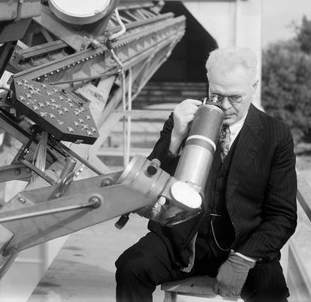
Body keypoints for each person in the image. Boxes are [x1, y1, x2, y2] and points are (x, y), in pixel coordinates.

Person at [115, 46, 297, 302]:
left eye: (235, 97)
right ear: (208, 84)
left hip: (243, 245)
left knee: (273, 294)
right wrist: (177, 135)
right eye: (216, 95)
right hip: (180, 243)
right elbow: (150, 181)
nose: (224, 106)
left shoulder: (275, 135)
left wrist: (242, 260)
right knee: (130, 268)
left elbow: (283, 216)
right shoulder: (182, 119)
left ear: (254, 86)